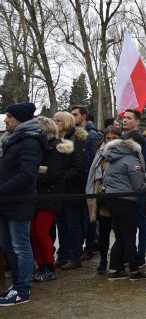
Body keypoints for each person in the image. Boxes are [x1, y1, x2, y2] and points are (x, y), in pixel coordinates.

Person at [0, 102, 47, 306]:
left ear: (20, 118)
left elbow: (27, 175)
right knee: (7, 245)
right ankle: (16, 285)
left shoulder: (30, 141)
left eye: (9, 116)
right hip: (7, 201)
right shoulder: (12, 139)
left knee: (20, 246)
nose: (5, 119)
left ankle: (22, 290)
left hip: (18, 200)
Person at [102, 130, 146, 281]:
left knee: (120, 237)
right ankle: (134, 272)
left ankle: (113, 270)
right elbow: (138, 185)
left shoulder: (112, 157)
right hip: (126, 201)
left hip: (112, 200)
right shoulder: (132, 161)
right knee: (130, 238)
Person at [31, 117, 73, 282]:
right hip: (40, 195)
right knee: (35, 233)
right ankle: (41, 266)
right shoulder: (44, 148)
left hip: (49, 196)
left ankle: (48, 266)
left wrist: (32, 174)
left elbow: (53, 175)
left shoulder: (55, 149)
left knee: (41, 232)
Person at [53, 111, 87, 270]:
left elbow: (78, 167)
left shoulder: (76, 141)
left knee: (73, 224)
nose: (55, 122)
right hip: (59, 191)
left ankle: (75, 256)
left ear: (65, 122)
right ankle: (63, 255)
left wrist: (61, 179)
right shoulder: (56, 140)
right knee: (61, 224)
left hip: (72, 189)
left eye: (58, 120)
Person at [86, 126, 123, 273]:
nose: (111, 141)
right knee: (104, 231)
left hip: (120, 195)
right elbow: (95, 175)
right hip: (103, 195)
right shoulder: (100, 154)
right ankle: (103, 260)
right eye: (108, 138)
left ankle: (118, 261)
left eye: (114, 138)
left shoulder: (126, 152)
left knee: (121, 231)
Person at [122, 108, 146, 267]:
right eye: (124, 117)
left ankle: (140, 255)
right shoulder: (120, 139)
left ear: (137, 121)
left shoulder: (145, 141)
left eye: (129, 117)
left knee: (141, 221)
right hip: (122, 188)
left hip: (138, 187)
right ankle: (128, 253)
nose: (125, 120)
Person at [71, 105, 100, 259]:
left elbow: (93, 160)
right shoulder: (74, 133)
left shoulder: (92, 134)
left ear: (83, 116)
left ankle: (90, 248)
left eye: (75, 114)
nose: (72, 116)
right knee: (81, 217)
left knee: (90, 217)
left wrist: (89, 180)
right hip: (78, 181)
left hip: (87, 181)